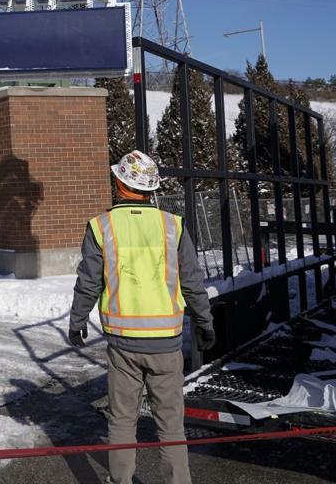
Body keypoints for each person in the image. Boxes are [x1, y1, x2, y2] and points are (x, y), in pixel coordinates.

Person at [68, 150, 215, 484]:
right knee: (171, 425)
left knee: (121, 421)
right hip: (166, 344)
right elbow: (192, 282)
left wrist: (77, 322)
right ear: (151, 189)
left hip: (123, 346)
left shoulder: (101, 226)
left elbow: (88, 282)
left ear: (119, 182)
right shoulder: (171, 226)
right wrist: (204, 322)